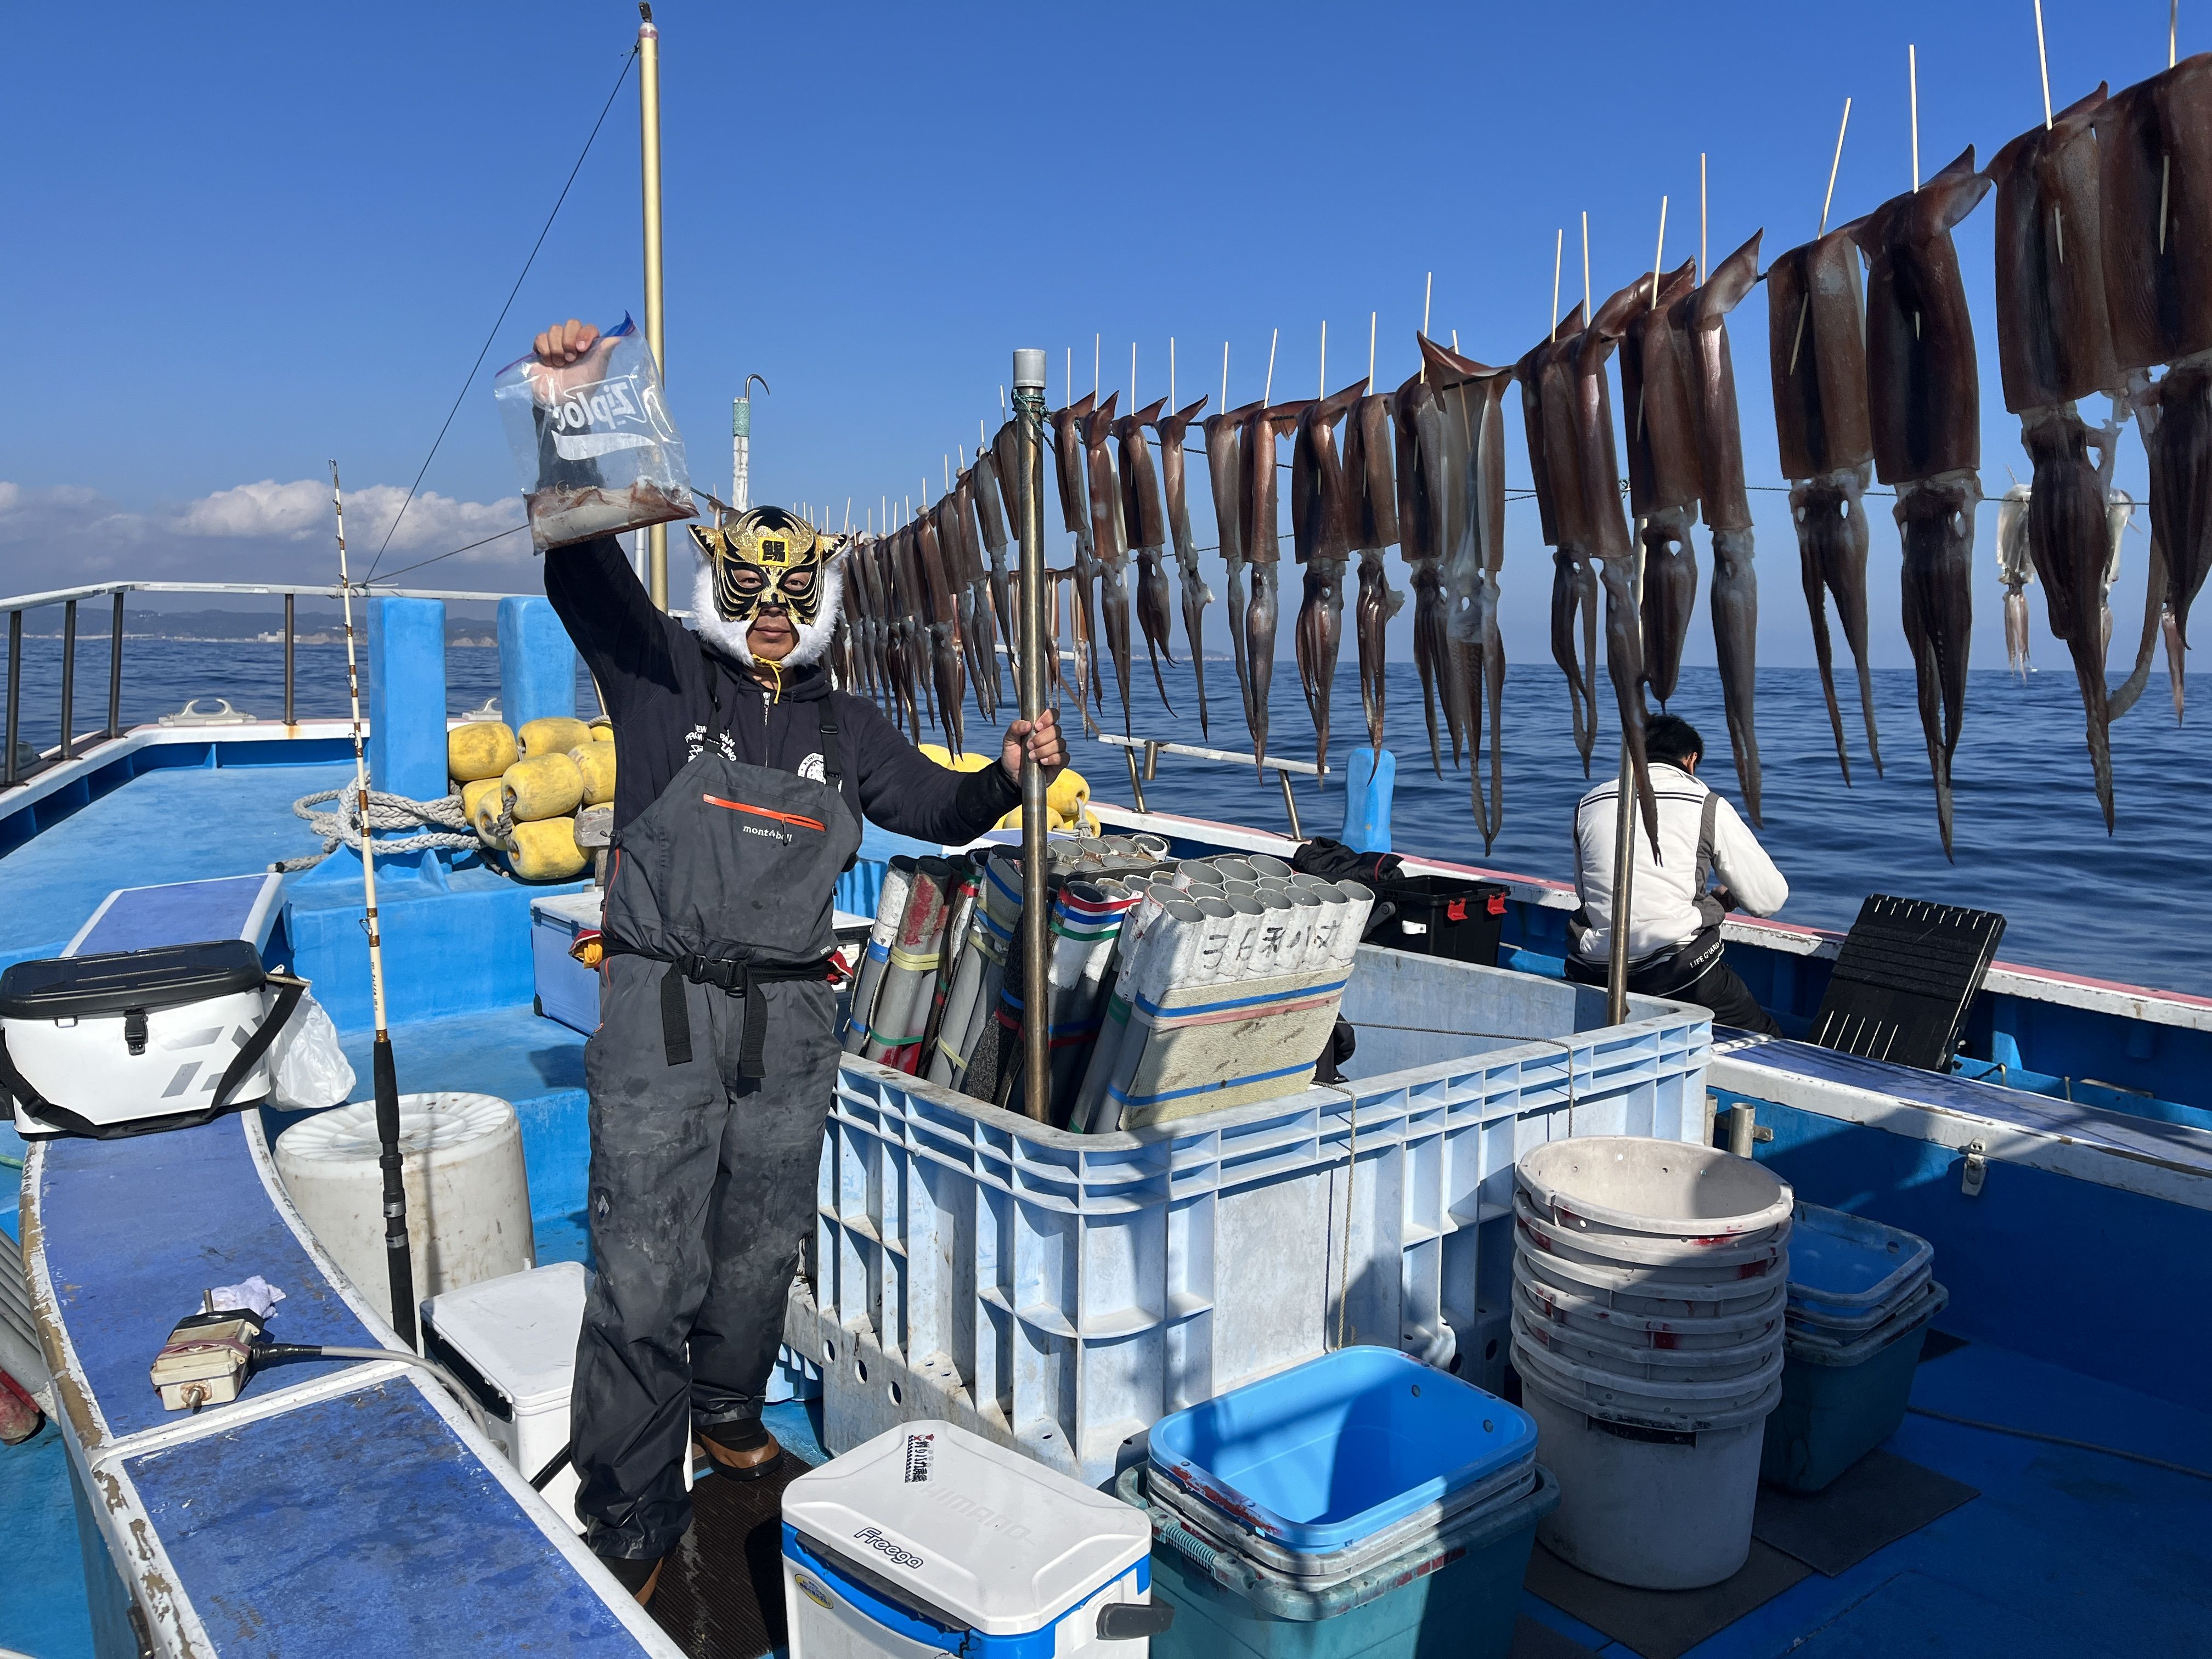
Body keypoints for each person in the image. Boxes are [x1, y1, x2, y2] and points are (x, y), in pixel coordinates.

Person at [529, 318, 1066, 1602]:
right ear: (719, 592)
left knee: (762, 1245)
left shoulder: (850, 724)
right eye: (748, 595)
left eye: (791, 599)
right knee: (646, 1266)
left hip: (789, 1022)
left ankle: (727, 1413)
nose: (769, 617)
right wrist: (567, 413)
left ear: (819, 603)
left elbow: (935, 810)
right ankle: (631, 1510)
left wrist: (1004, 775)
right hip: (663, 1006)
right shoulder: (659, 674)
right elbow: (579, 565)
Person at [1566, 713, 1785, 1035]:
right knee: (1763, 1037)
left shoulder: (1589, 803)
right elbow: (1768, 900)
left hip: (1595, 968)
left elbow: (1588, 893)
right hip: (1678, 974)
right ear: (1691, 759)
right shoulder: (1706, 803)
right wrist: (1720, 900)